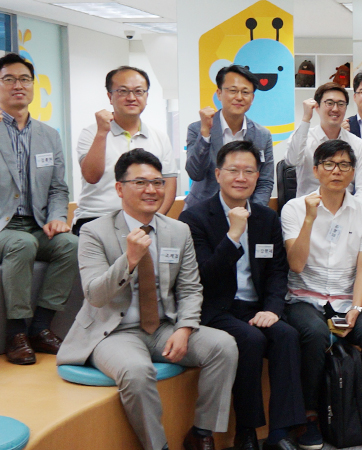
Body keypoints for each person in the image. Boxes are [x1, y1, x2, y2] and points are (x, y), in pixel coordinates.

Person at [57, 149, 238, 450]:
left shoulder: (178, 231)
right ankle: (158, 446)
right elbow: (95, 295)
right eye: (140, 182)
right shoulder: (94, 232)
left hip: (163, 327)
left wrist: (185, 328)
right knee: (137, 372)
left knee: (224, 346)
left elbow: (190, 288)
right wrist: (128, 260)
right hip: (112, 332)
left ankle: (202, 433)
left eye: (157, 182)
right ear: (120, 188)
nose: (151, 190)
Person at [178, 140, 306, 450]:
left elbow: (277, 271)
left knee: (287, 336)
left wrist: (273, 309)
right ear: (218, 174)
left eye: (249, 171)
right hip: (215, 308)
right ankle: (246, 431)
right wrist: (233, 234)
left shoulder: (267, 218)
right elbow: (203, 276)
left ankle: (279, 432)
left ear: (257, 176)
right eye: (233, 170)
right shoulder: (194, 218)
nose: (241, 177)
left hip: (256, 306)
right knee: (251, 339)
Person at [280, 140, 362, 448]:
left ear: (353, 172)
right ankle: (310, 416)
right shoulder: (294, 208)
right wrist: (310, 219)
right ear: (316, 170)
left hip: (343, 299)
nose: (336, 171)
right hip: (303, 297)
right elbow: (296, 263)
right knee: (314, 335)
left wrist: (356, 307)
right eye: (329, 164)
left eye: (344, 165)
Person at [0, 53, 78, 365]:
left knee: (71, 244)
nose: (18, 85)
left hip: (36, 224)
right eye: (9, 79)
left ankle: (41, 327)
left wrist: (58, 217)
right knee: (22, 244)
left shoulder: (49, 135)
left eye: (24, 79)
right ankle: (16, 332)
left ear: (33, 86)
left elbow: (58, 187)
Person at [74, 66, 177, 233]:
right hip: (97, 218)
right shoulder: (92, 133)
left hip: (146, 221)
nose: (131, 98)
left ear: (146, 96)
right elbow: (92, 176)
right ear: (110, 96)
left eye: (138, 91)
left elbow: (169, 186)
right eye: (123, 91)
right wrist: (102, 133)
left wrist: (150, 223)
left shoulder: (159, 137)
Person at [185, 65, 274, 209]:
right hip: (202, 211)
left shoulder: (262, 135)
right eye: (233, 91)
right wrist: (205, 134)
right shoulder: (198, 129)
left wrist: (253, 213)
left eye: (245, 92)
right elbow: (195, 173)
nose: (239, 97)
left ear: (252, 98)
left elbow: (265, 182)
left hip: (244, 211)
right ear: (219, 93)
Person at [286, 81, 362, 203]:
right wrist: (306, 118)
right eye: (329, 103)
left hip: (345, 209)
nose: (335, 109)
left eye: (341, 104)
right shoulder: (304, 137)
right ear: (317, 107)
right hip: (308, 208)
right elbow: (292, 160)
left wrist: (355, 212)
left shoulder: (358, 144)